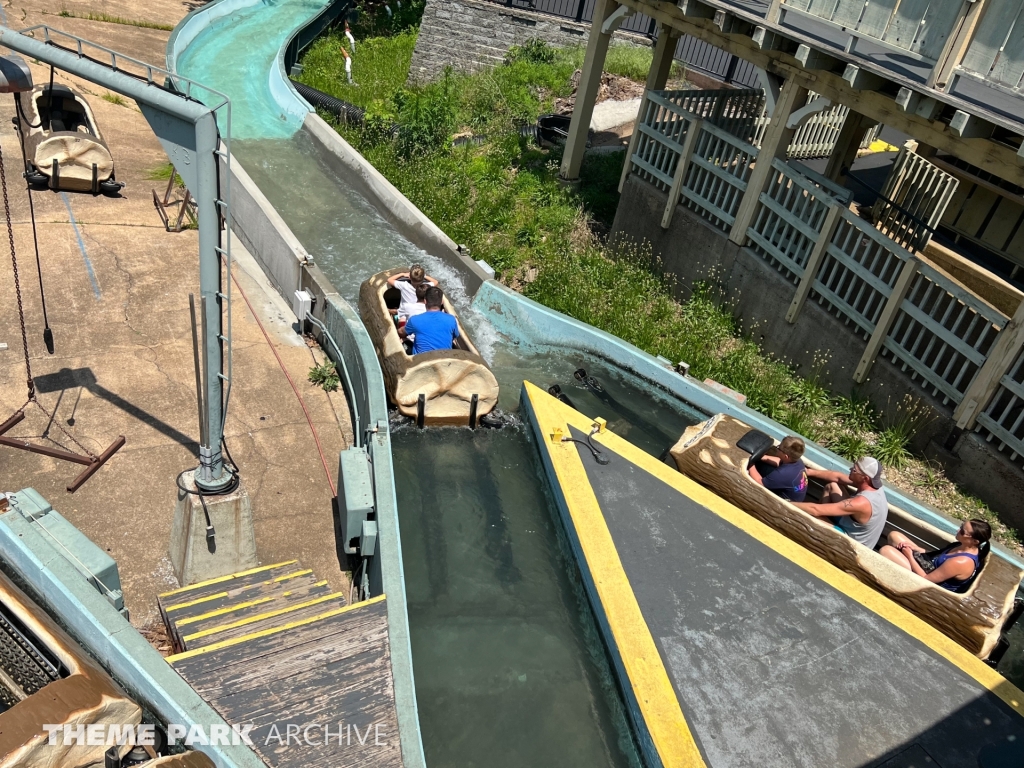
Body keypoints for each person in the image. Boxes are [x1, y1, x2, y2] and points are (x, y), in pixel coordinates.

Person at [792, 457, 888, 549]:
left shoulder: (862, 503)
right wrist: (808, 472)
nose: (850, 469)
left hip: (851, 544)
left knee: (812, 515)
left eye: (854, 470)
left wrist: (786, 502)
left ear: (865, 478)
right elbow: (838, 477)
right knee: (832, 486)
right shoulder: (872, 485)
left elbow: (814, 510)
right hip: (850, 525)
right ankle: (824, 523)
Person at [879, 519, 990, 592]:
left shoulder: (961, 562)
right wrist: (914, 548)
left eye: (962, 531)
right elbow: (936, 557)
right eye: (961, 526)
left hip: (927, 585)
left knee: (886, 551)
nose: (958, 530)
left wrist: (910, 556)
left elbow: (926, 579)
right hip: (928, 566)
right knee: (895, 536)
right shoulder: (961, 544)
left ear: (975, 541)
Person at [748, 435, 808, 502]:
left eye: (779, 448)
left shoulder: (783, 474)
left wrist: (751, 463)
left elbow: (759, 482)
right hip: (792, 493)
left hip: (784, 503)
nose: (777, 448)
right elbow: (778, 461)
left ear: (786, 456)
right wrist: (762, 457)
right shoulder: (797, 461)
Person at [400, 287, 459, 354]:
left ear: (425, 301)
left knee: (401, 340)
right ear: (442, 302)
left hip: (421, 361)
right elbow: (455, 336)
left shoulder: (415, 320)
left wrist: (399, 330)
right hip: (445, 360)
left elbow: (402, 333)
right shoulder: (451, 319)